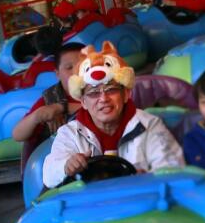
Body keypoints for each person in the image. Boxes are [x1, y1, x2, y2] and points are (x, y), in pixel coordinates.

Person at [42, 42, 184, 188]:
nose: (103, 99)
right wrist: (66, 166)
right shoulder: (69, 133)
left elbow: (173, 170)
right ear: (83, 101)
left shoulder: (149, 125)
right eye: (94, 93)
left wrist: (149, 178)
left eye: (111, 90)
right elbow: (49, 175)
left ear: (126, 94)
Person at [12, 41, 86, 143]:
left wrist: (63, 107)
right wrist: (36, 116)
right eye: (69, 68)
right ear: (57, 74)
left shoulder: (101, 90)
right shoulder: (50, 99)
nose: (76, 72)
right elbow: (17, 135)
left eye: (82, 66)